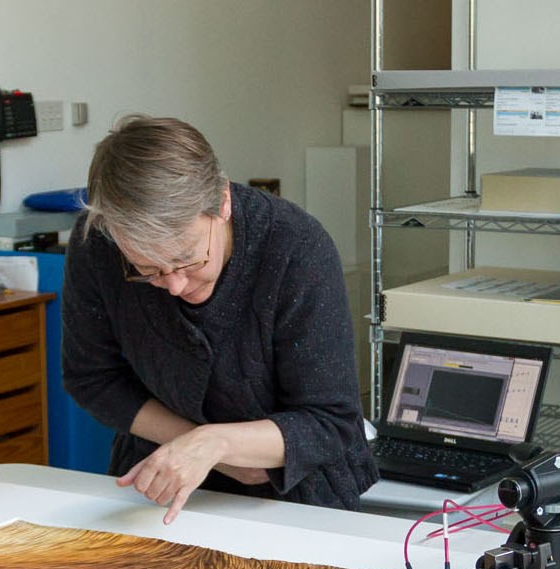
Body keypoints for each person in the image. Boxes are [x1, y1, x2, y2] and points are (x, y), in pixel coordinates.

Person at [62, 115, 376, 523]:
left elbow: (331, 422)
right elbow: (91, 377)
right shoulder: (97, 245)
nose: (174, 285)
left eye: (188, 259)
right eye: (146, 269)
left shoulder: (295, 248)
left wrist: (217, 444)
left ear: (223, 203)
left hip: (297, 496)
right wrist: (192, 446)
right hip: (159, 482)